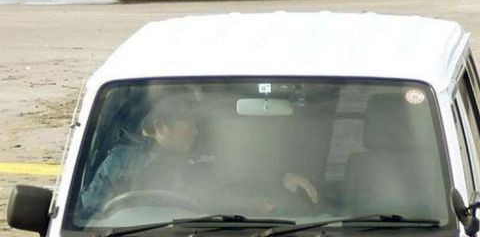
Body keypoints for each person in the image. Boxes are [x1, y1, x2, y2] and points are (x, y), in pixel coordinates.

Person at [76, 94, 318, 222]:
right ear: (161, 127)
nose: (196, 131)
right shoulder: (120, 163)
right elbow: (90, 213)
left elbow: (234, 176)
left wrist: (281, 178)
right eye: (188, 124)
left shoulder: (199, 154)